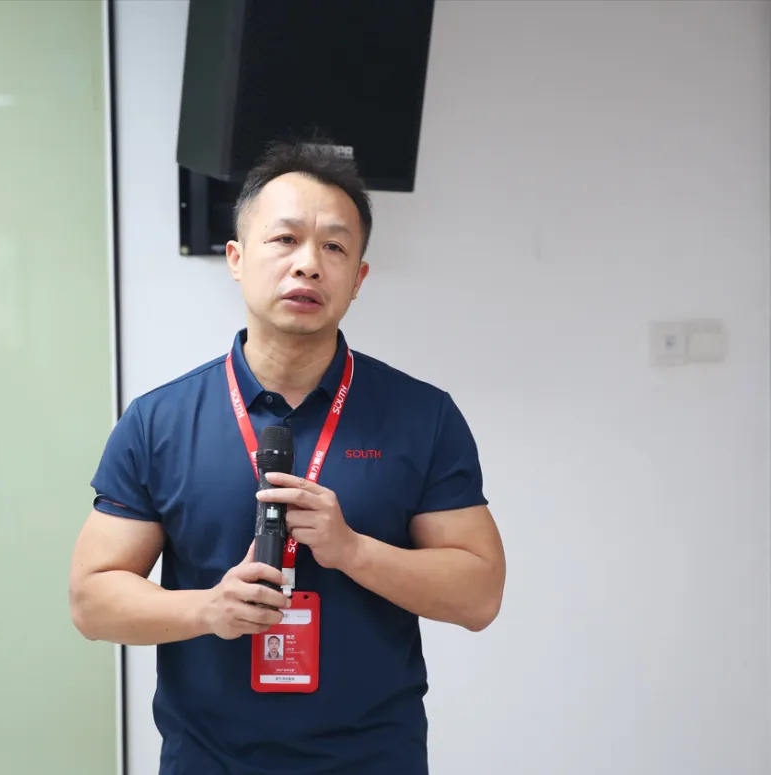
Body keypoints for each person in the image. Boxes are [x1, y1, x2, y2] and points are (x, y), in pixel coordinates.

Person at [68, 140, 506, 775]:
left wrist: (352, 550)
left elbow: (479, 595)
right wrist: (207, 608)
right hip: (209, 763)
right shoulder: (159, 421)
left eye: (334, 247)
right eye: (285, 240)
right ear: (237, 259)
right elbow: (91, 600)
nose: (308, 265)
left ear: (358, 279)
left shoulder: (423, 416)